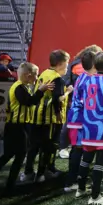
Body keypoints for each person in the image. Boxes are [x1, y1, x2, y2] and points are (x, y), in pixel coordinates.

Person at [0, 63, 53, 193]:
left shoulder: (22, 86)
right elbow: (29, 101)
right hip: (17, 126)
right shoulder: (19, 87)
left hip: (16, 125)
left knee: (10, 154)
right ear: (28, 75)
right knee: (20, 155)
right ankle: (9, 185)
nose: (37, 78)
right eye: (36, 75)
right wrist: (41, 90)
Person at [76, 51, 103, 205]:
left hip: (88, 125)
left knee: (86, 157)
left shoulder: (87, 80)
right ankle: (95, 196)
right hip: (102, 127)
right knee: (100, 161)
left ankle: (80, 189)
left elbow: (81, 100)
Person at [22, 50, 72, 183]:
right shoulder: (57, 79)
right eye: (67, 63)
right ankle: (45, 172)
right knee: (49, 145)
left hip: (37, 116)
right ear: (61, 64)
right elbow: (58, 99)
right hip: (51, 118)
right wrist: (68, 92)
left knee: (34, 146)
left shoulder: (44, 73)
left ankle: (28, 172)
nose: (67, 67)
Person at [63, 50, 97, 193]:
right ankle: (73, 181)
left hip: (76, 117)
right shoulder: (90, 80)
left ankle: (74, 179)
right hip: (82, 119)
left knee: (77, 149)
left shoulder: (82, 77)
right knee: (79, 149)